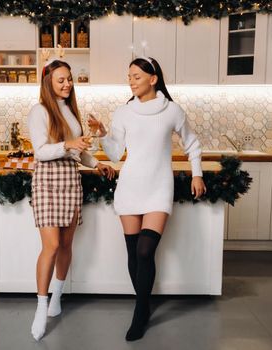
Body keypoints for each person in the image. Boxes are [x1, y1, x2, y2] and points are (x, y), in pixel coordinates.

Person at [88, 56, 206, 341]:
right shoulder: (124, 112)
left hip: (158, 186)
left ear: (153, 79)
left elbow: (192, 143)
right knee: (133, 254)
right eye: (128, 76)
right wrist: (103, 133)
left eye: (136, 76)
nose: (131, 81)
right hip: (130, 185)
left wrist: (197, 174)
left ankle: (140, 312)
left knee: (144, 251)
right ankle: (144, 306)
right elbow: (116, 154)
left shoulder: (172, 111)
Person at [27, 59, 115, 341]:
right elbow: (40, 151)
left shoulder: (72, 112)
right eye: (61, 80)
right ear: (48, 82)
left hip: (70, 180)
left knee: (66, 244)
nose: (67, 84)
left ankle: (57, 298)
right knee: (51, 246)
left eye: (69, 79)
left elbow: (78, 152)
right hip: (47, 181)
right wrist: (67, 144)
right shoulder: (39, 111)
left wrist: (96, 163)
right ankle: (41, 307)